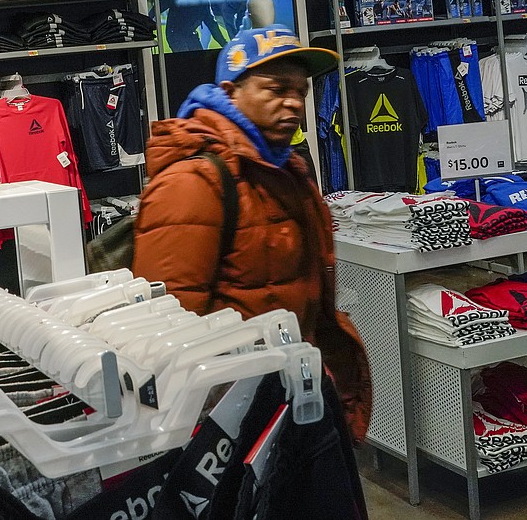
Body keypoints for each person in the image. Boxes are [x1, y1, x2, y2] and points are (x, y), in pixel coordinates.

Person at [131, 25, 372, 441]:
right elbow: (167, 329)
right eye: (276, 89)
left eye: (302, 91)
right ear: (231, 90)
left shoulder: (284, 169)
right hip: (230, 422)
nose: (294, 103)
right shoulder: (194, 182)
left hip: (287, 401)